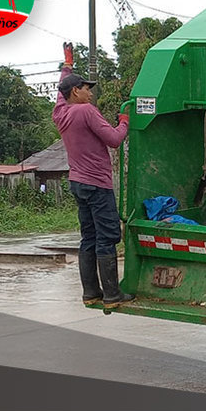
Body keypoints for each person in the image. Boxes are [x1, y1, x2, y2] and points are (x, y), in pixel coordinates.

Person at [52, 42, 133, 309]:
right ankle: (112, 295)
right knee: (107, 237)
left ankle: (91, 293)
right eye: (87, 88)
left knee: (88, 237)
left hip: (78, 183)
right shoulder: (86, 111)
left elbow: (60, 89)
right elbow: (113, 140)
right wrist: (124, 121)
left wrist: (67, 64)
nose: (90, 93)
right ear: (76, 91)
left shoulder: (60, 112)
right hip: (98, 185)